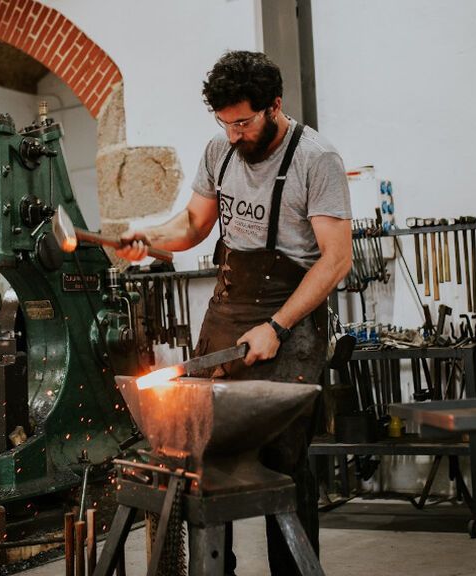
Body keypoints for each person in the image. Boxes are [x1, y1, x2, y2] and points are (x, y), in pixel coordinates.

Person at [116, 50, 352, 575]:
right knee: (205, 459)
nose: (233, 135)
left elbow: (336, 261)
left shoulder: (317, 159)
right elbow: (193, 226)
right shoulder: (218, 152)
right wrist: (150, 238)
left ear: (275, 105)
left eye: (243, 122)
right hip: (226, 316)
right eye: (224, 124)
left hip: (290, 325)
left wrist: (277, 326)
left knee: (282, 466)